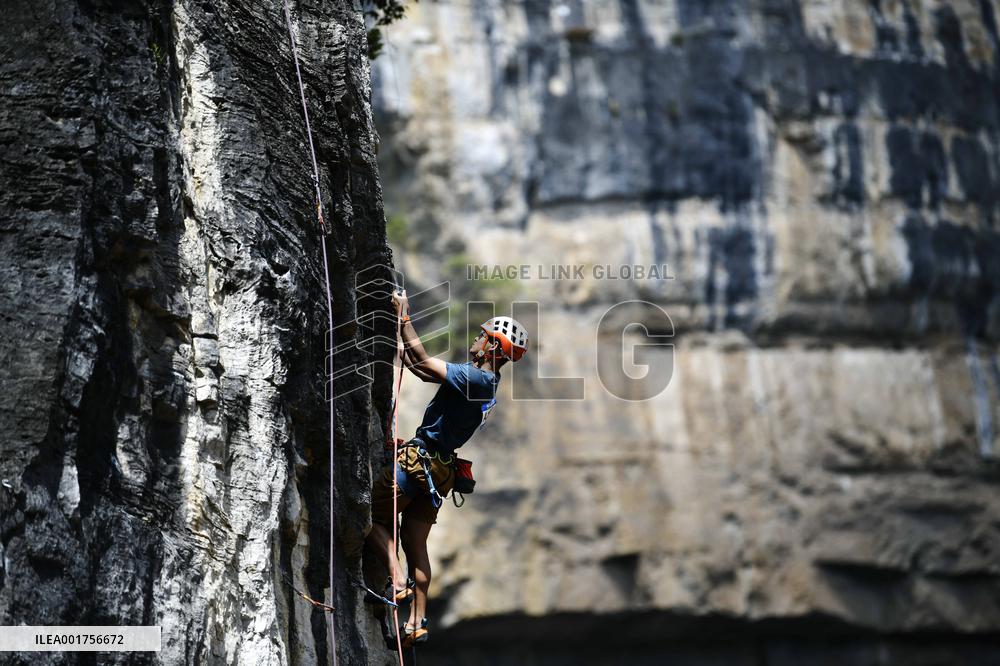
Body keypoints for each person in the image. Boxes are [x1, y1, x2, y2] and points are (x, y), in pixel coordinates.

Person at [365, 289, 529, 646]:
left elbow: (424, 364)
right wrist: (402, 339)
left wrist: (403, 317)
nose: (475, 340)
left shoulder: (477, 379)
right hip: (440, 473)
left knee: (369, 515)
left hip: (419, 463)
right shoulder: (486, 384)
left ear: (493, 347)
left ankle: (396, 579)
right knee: (415, 543)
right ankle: (417, 621)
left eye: (482, 336)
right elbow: (420, 369)